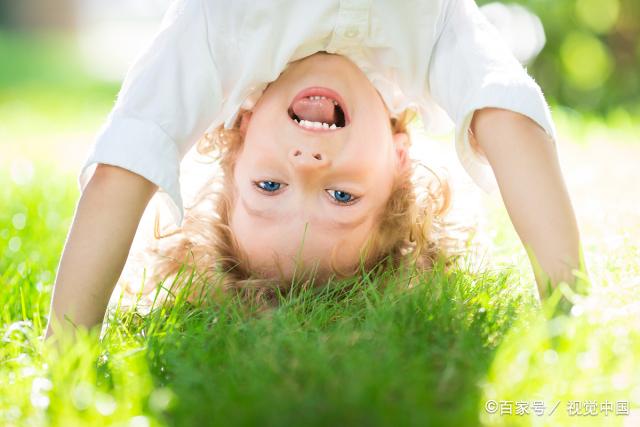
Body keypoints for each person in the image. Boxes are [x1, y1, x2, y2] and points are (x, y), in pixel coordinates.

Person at [45, 0, 583, 338]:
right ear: (400, 158)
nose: (308, 163)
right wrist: (568, 313)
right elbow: (508, 113)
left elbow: (127, 161)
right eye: (342, 197)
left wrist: (65, 348)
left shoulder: (215, 35)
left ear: (241, 137)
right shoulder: (433, 34)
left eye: (269, 185)